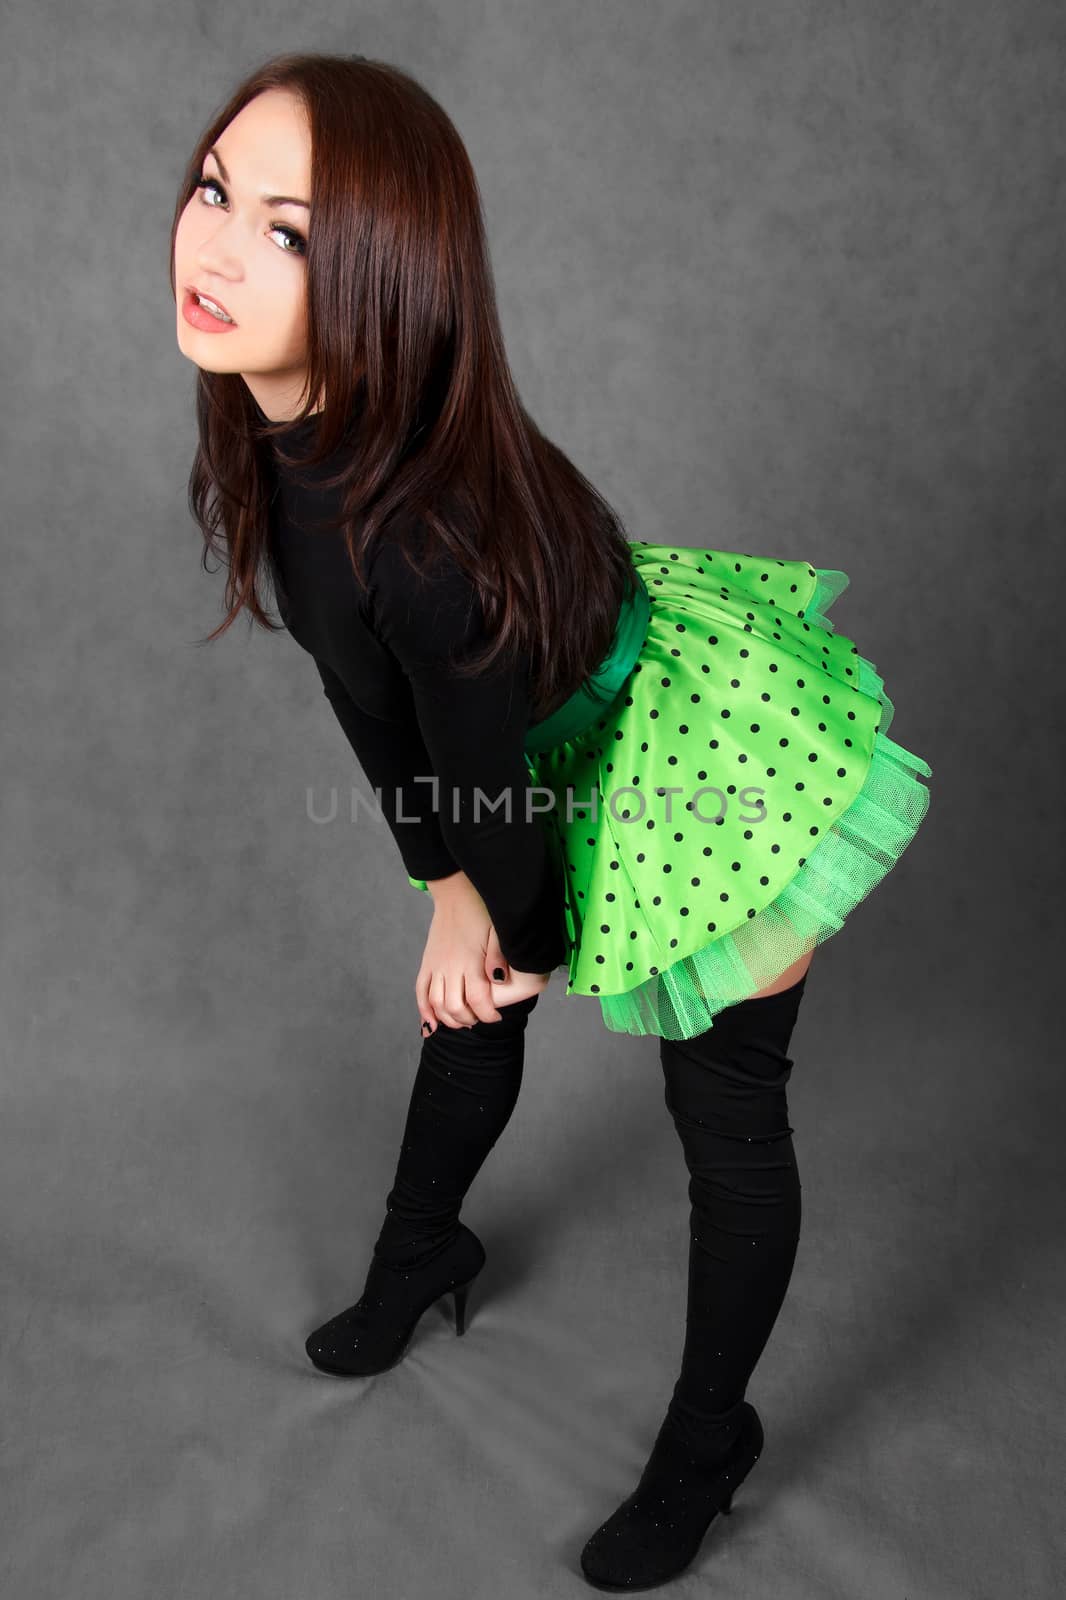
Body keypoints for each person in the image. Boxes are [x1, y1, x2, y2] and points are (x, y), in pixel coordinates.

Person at [171, 53, 932, 1592]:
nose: (216, 246)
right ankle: (420, 1256)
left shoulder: (424, 535)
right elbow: (371, 706)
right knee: (468, 988)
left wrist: (480, 912)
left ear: (384, 271)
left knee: (716, 1111)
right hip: (512, 747)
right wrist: (439, 880)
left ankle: (709, 1438)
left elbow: (480, 772)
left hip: (690, 754)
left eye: (290, 230)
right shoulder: (289, 443)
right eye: (210, 191)